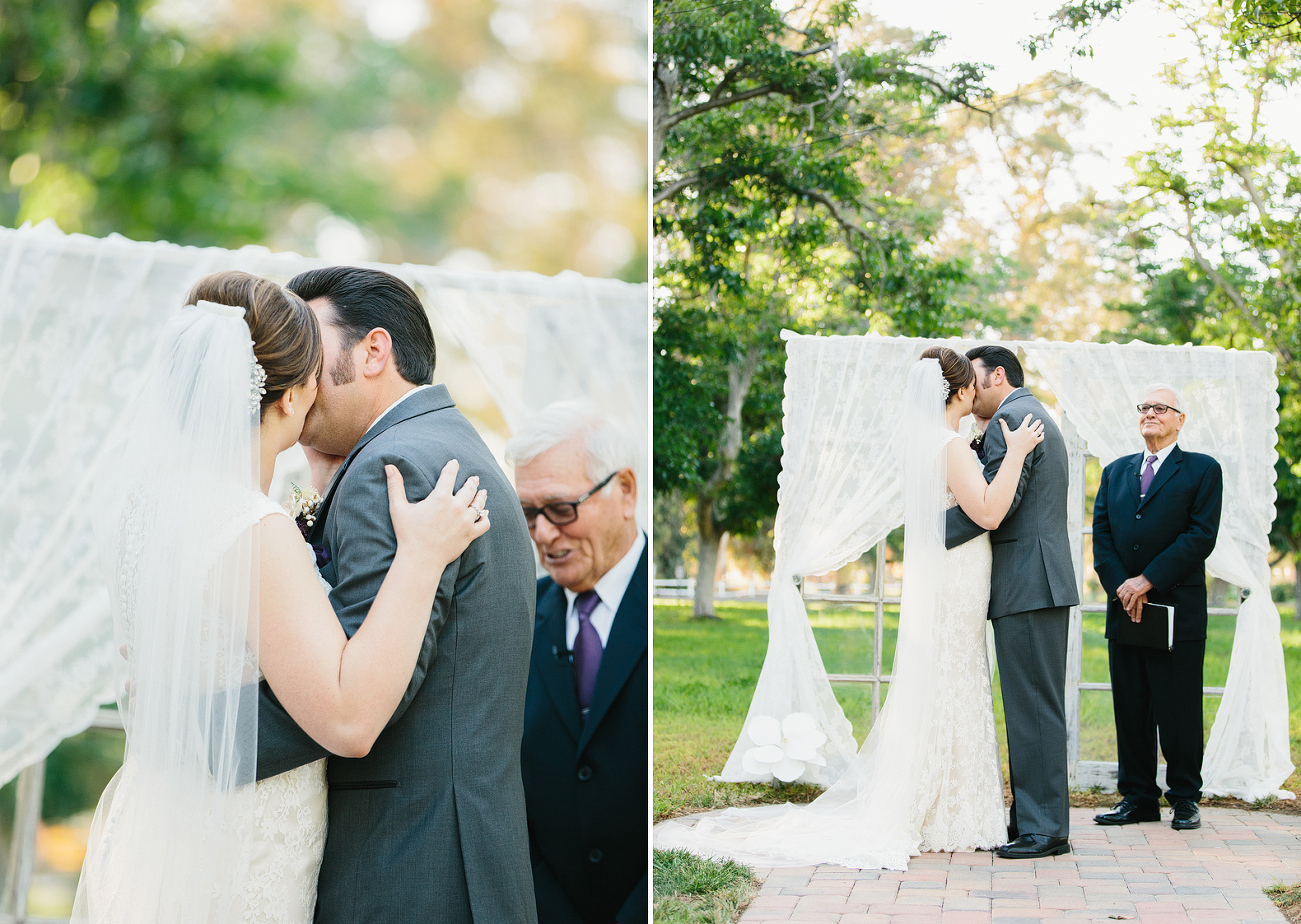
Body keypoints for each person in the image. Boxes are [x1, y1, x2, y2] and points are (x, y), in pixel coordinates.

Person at [74, 271, 490, 923]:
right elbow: (348, 720)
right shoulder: (250, 528)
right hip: (240, 850)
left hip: (161, 817)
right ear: (295, 396)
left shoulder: (144, 511)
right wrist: (422, 555)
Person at [657, 347, 1044, 870]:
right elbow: (991, 512)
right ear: (957, 392)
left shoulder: (931, 443)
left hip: (949, 574)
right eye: (970, 383)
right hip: (957, 578)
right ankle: (950, 810)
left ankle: (949, 805)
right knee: (955, 674)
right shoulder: (951, 445)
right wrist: (1017, 451)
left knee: (948, 676)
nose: (977, 390)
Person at [253, 266, 539, 923]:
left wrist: (187, 739)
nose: (288, 367)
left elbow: (353, 687)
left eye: (305, 342)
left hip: (407, 864)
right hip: (456, 850)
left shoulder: (396, 468)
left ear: (373, 350)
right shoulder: (444, 446)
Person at [506, 402, 648, 924]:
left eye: (562, 508)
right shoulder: (516, 617)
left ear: (625, 492)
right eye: (528, 513)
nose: (543, 534)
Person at [945, 344, 1081, 859]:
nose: (968, 389)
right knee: (1031, 705)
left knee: (1034, 708)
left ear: (997, 374)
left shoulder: (1015, 417)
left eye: (975, 379)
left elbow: (994, 508)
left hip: (1030, 581)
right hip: (1033, 581)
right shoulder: (1023, 413)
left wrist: (928, 527)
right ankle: (1032, 818)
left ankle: (1044, 831)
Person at [1091, 386, 1222, 832]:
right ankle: (1138, 798)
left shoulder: (1203, 471)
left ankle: (1185, 798)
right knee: (1131, 707)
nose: (1149, 413)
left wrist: (1147, 580)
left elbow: (1200, 537)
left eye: (1159, 408)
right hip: (1126, 608)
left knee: (1179, 708)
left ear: (1180, 419)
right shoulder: (1114, 472)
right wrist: (1125, 588)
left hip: (1176, 610)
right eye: (1144, 407)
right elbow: (1102, 538)